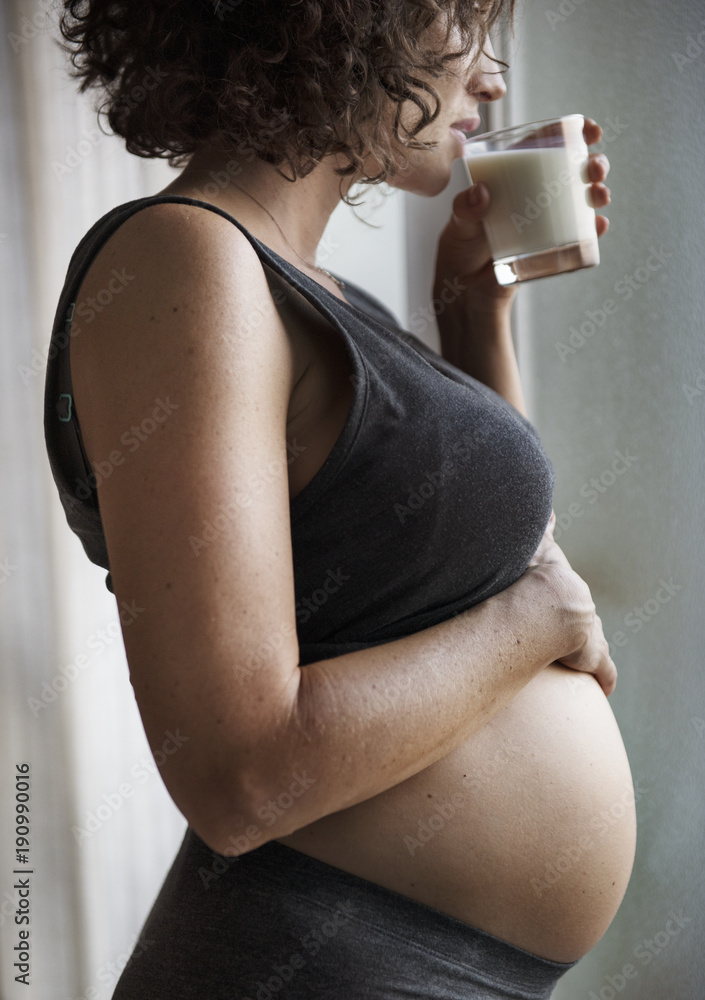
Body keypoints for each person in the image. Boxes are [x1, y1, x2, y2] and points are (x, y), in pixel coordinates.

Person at [44, 1, 635, 997]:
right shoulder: (183, 262)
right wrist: (534, 625)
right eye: (468, 24)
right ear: (354, 23)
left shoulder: (314, 292)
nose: (491, 78)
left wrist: (473, 312)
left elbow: (489, 567)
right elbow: (240, 774)